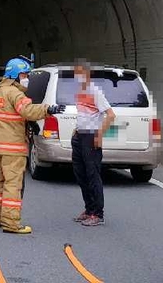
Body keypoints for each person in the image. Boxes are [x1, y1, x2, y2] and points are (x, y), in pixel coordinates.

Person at [0, 57, 63, 235]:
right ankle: (10, 223)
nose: (26, 78)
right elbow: (28, 111)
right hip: (13, 147)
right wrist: (48, 109)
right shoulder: (16, 94)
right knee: (13, 184)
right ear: (16, 75)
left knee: (0, 182)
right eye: (25, 75)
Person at [71, 60, 116, 227]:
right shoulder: (80, 92)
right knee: (80, 174)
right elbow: (84, 115)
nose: (77, 77)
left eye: (80, 73)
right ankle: (89, 209)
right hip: (80, 136)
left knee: (92, 175)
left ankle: (98, 213)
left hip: (91, 138)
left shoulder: (95, 92)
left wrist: (99, 135)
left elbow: (111, 115)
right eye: (76, 74)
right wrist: (76, 129)